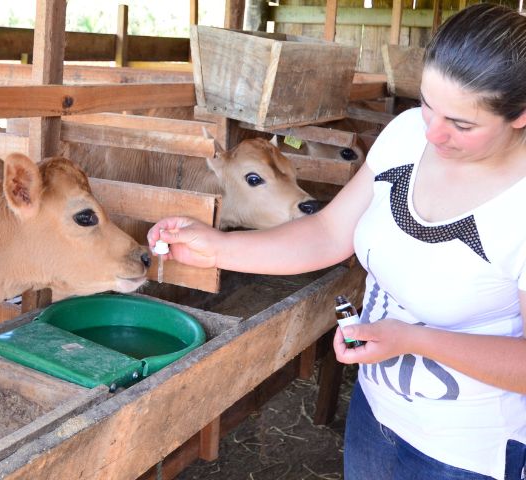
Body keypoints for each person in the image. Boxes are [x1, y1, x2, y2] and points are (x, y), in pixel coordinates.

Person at [147, 3, 526, 478]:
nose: (433, 132)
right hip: (376, 414)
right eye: (428, 103)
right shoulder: (406, 134)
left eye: (462, 124)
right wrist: (216, 247)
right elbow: (329, 233)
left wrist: (413, 340)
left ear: (520, 115)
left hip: (468, 454)